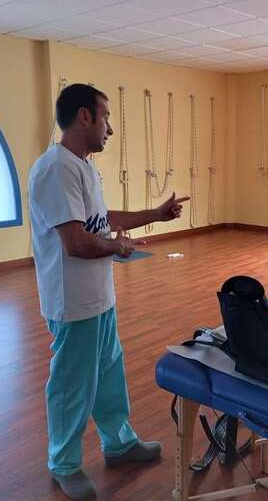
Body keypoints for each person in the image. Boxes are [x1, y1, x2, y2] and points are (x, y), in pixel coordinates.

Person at [28, 83, 188, 501]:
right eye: (106, 118)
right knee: (72, 385)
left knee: (108, 376)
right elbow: (76, 242)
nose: (110, 129)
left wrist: (156, 214)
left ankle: (119, 443)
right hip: (72, 302)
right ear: (85, 117)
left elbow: (101, 218)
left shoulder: (82, 166)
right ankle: (64, 463)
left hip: (99, 298)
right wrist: (118, 247)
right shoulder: (55, 169)